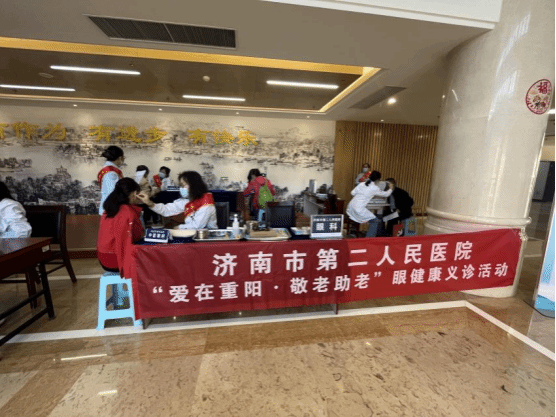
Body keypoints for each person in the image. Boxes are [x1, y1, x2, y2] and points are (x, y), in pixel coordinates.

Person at [138, 171, 217, 230]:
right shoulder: (187, 200)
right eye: (180, 186)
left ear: (194, 185)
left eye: (183, 185)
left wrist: (179, 227)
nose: (181, 188)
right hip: (193, 234)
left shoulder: (206, 202)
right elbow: (167, 209)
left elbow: (197, 226)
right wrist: (150, 203)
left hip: (207, 238)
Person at [97, 178, 144, 275]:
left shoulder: (109, 209)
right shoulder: (128, 212)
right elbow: (136, 237)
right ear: (135, 193)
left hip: (103, 257)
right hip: (116, 261)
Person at [346, 170, 394, 237]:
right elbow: (386, 194)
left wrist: (361, 195)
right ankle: (369, 239)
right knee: (375, 221)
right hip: (359, 208)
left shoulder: (362, 184)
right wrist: (391, 188)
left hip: (351, 206)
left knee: (372, 220)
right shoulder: (374, 188)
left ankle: (367, 236)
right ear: (378, 180)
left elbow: (352, 193)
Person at [98, 146, 125, 215]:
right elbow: (113, 193)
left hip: (109, 207)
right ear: (120, 158)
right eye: (123, 158)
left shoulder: (108, 170)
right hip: (111, 210)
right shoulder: (111, 173)